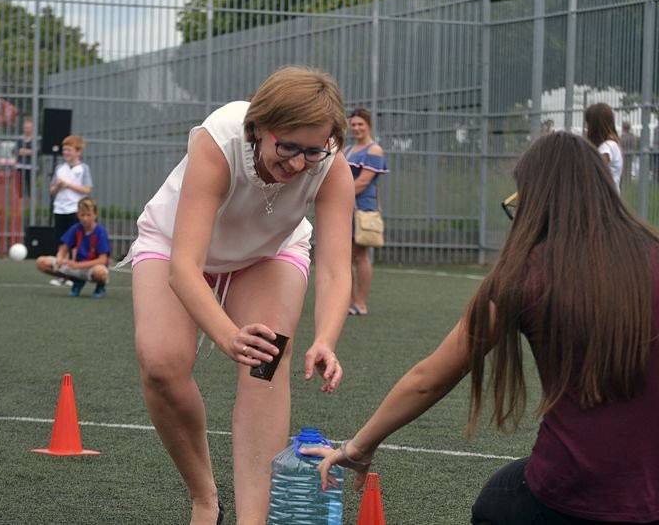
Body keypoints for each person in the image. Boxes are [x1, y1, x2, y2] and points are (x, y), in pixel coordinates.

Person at [303, 132, 659, 524]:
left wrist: (358, 447)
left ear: (535, 200)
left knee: (496, 504)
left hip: (570, 492)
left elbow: (429, 378)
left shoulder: (525, 276)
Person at [119, 65, 353, 524]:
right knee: (162, 364)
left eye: (313, 150)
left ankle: (253, 520)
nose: (298, 164)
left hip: (268, 253)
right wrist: (227, 335)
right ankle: (205, 498)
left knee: (267, 364)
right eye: (287, 147)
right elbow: (184, 268)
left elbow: (333, 267)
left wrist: (326, 337)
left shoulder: (331, 165)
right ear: (259, 127)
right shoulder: (219, 139)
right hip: (177, 246)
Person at [345, 108, 388, 316]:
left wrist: (337, 196)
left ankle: (360, 302)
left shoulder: (374, 150)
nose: (356, 128)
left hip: (362, 207)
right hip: (346, 206)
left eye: (360, 124)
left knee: (360, 255)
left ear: (368, 125)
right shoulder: (348, 150)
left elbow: (363, 181)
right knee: (346, 256)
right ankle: (349, 300)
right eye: (353, 124)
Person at [35, 197, 109, 297]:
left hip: (91, 267)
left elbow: (102, 260)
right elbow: (63, 248)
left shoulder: (100, 231)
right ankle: (77, 281)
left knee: (100, 273)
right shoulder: (76, 228)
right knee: (41, 262)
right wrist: (60, 258)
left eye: (88, 215)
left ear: (95, 214)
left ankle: (100, 287)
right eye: (82, 215)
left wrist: (78, 265)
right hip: (75, 266)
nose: (85, 218)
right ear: (78, 215)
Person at [48, 135, 92, 287]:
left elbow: (86, 189)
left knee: (75, 243)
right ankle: (62, 274)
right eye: (64, 150)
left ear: (78, 151)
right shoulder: (60, 169)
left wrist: (68, 185)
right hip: (60, 209)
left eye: (69, 150)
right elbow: (52, 190)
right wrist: (58, 186)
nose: (65, 153)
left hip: (75, 210)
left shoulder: (83, 169)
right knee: (62, 242)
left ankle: (75, 275)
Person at [584, 103, 623, 193]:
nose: (586, 128)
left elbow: (593, 168)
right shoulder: (606, 145)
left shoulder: (608, 146)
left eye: (588, 124)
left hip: (605, 200)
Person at [14, 118, 35, 197]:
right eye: (26, 128)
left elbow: (37, 151)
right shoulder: (20, 139)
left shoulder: (36, 139)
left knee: (30, 185)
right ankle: (20, 202)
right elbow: (16, 151)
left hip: (31, 166)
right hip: (20, 165)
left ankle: (30, 201)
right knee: (19, 186)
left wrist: (25, 151)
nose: (27, 130)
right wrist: (29, 151)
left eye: (29, 128)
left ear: (32, 128)